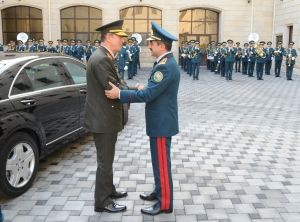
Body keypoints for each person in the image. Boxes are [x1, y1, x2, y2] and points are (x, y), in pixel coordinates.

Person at [105, 21, 180, 216]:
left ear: (161, 46)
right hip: (159, 122)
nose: (149, 46)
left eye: (152, 43)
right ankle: (159, 191)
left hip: (162, 124)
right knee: (158, 161)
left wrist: (120, 94)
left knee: (162, 164)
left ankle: (164, 204)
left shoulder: (166, 67)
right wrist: (144, 88)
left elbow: (149, 96)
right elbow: (153, 91)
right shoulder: (164, 63)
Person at [84, 20, 129, 213]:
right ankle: (102, 202)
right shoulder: (102, 59)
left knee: (107, 160)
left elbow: (117, 83)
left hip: (104, 118)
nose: (123, 41)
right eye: (120, 37)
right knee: (105, 162)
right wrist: (135, 91)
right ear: (109, 37)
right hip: (103, 119)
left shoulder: (103, 56)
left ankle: (109, 190)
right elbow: (113, 88)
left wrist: (129, 88)